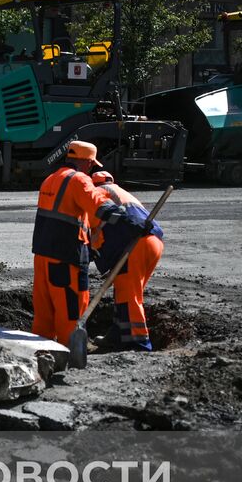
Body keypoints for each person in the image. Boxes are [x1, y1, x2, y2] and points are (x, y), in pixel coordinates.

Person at [30, 140, 125, 345]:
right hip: (66, 259)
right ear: (87, 162)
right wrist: (124, 214)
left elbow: (65, 215)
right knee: (70, 310)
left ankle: (39, 354)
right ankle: (70, 352)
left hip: (43, 255)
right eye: (91, 165)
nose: (91, 169)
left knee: (44, 312)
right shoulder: (79, 180)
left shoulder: (50, 179)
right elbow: (99, 206)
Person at [89, 171, 165, 351]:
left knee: (129, 296)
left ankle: (139, 344)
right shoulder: (122, 193)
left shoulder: (97, 194)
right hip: (154, 243)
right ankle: (116, 335)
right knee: (125, 292)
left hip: (134, 246)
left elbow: (93, 233)